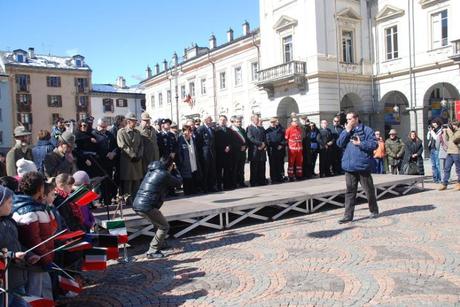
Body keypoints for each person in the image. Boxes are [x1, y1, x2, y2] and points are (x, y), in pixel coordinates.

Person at [12, 172, 56, 299]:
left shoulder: (35, 206)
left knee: (45, 290)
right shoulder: (29, 211)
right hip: (36, 260)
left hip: (41, 257)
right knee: (36, 294)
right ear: (39, 189)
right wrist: (46, 259)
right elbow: (34, 241)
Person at [133, 157, 182, 258]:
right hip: (147, 206)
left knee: (158, 223)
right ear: (169, 166)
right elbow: (179, 183)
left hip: (138, 204)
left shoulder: (152, 170)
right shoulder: (164, 174)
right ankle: (152, 251)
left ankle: (161, 243)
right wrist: (176, 170)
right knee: (164, 226)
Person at [0, 185, 40, 307]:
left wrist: (29, 255)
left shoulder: (9, 221)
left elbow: (17, 244)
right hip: (3, 283)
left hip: (17, 279)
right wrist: (12, 255)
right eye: (9, 202)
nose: (12, 205)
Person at [336, 112, 379, 224]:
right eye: (347, 119)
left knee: (368, 190)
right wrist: (346, 131)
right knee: (350, 192)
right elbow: (339, 143)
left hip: (362, 166)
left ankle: (374, 210)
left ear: (356, 119)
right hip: (349, 167)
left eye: (350, 119)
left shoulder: (367, 130)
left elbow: (374, 145)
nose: (348, 121)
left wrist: (360, 143)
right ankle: (348, 216)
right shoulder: (347, 131)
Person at [117, 112, 143, 205]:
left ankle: (136, 199)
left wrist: (139, 155)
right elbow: (122, 145)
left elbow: (141, 146)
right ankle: (128, 200)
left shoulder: (137, 132)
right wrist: (132, 155)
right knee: (128, 181)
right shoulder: (121, 132)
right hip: (127, 160)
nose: (135, 122)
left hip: (137, 160)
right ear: (128, 121)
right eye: (133, 121)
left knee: (137, 180)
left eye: (135, 121)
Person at [92, 118, 118, 207]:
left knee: (108, 181)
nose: (103, 128)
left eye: (105, 127)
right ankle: (98, 200)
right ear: (97, 125)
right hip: (99, 163)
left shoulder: (109, 134)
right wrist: (104, 154)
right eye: (101, 127)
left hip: (109, 163)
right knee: (99, 183)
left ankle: (108, 200)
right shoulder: (93, 134)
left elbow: (115, 146)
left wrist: (113, 153)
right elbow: (94, 149)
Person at [195, 115, 217, 193]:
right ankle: (205, 187)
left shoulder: (211, 129)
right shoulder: (201, 129)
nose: (211, 121)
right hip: (204, 153)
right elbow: (198, 142)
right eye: (209, 120)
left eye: (211, 120)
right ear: (205, 121)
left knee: (212, 170)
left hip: (211, 152)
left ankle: (211, 186)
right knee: (205, 170)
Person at [177, 125, 201, 195]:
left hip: (192, 160)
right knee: (186, 176)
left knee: (193, 174)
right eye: (187, 130)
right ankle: (187, 191)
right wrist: (182, 161)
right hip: (185, 161)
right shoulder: (181, 139)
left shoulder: (192, 138)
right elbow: (179, 151)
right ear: (183, 131)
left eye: (189, 130)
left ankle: (193, 190)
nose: (188, 132)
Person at [215, 115, 235, 191]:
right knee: (219, 171)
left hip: (228, 153)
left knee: (227, 170)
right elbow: (215, 142)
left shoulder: (229, 130)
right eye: (221, 120)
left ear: (226, 121)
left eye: (224, 120)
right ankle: (219, 186)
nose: (222, 121)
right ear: (219, 121)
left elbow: (232, 141)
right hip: (219, 153)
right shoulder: (216, 130)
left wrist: (229, 147)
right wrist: (223, 148)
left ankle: (227, 185)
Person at [438, 121, 460, 191]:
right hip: (449, 152)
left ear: (456, 125)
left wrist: (449, 131)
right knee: (446, 168)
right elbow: (447, 139)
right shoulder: (451, 131)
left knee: (458, 169)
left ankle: (459, 183)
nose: (452, 126)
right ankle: (444, 184)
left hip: (457, 152)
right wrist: (445, 132)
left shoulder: (459, 131)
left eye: (453, 125)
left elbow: (454, 139)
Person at [246, 114, 267, 187]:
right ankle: (254, 182)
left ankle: (261, 180)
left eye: (258, 119)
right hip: (254, 150)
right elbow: (250, 138)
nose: (258, 120)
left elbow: (265, 137)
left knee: (261, 166)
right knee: (254, 167)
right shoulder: (249, 128)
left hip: (262, 150)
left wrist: (264, 144)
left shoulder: (260, 128)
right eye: (256, 119)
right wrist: (260, 144)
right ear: (252, 120)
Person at [266, 117, 286, 183]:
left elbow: (284, 139)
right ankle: (274, 179)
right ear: (270, 123)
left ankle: (280, 177)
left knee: (280, 165)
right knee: (273, 165)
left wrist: (281, 145)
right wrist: (276, 146)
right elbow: (268, 141)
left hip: (280, 150)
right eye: (272, 122)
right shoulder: (267, 131)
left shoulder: (280, 130)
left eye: (274, 122)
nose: (273, 123)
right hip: (272, 150)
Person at [230, 116, 248, 188]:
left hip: (242, 152)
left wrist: (245, 146)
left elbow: (246, 140)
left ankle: (241, 182)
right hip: (235, 152)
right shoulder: (231, 130)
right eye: (237, 122)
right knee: (235, 168)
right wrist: (239, 147)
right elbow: (231, 142)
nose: (239, 123)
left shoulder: (243, 130)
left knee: (241, 168)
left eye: (240, 121)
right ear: (234, 122)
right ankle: (234, 183)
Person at [427, 118, 443, 183]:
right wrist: (429, 131)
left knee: (437, 164)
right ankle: (435, 178)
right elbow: (428, 138)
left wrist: (431, 131)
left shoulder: (440, 130)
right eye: (432, 123)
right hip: (431, 148)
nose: (433, 124)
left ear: (438, 123)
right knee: (433, 165)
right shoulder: (432, 130)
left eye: (435, 123)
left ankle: (439, 179)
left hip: (437, 149)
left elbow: (436, 138)